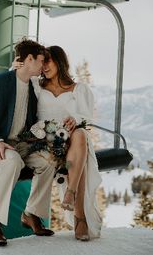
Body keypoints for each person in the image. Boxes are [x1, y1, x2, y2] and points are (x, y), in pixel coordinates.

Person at [0, 39, 58, 246]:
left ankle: (31, 213)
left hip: (22, 144)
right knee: (12, 161)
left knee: (49, 160)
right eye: (41, 60)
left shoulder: (34, 88)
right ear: (29, 59)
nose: (43, 66)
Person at [15, 45, 102, 241]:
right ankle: (80, 218)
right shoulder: (37, 85)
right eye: (42, 61)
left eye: (48, 61)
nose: (44, 66)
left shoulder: (79, 89)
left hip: (71, 141)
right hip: (45, 140)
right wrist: (16, 65)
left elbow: (86, 116)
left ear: (60, 62)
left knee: (80, 135)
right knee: (80, 154)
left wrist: (75, 119)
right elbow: (16, 80)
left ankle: (71, 195)